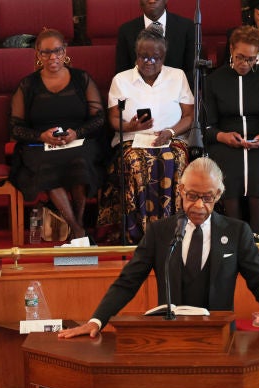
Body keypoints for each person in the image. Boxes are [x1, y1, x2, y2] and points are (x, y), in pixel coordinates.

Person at [62, 157, 259, 341]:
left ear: (219, 195)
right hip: (170, 338)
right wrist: (97, 320)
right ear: (180, 191)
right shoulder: (160, 232)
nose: (199, 205)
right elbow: (128, 281)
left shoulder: (237, 232)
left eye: (208, 197)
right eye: (191, 196)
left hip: (219, 339)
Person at [99, 27, 194, 242]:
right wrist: (131, 127)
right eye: (143, 56)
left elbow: (189, 116)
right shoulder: (122, 81)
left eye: (155, 57)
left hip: (172, 139)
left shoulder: (177, 76)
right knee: (137, 162)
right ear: (136, 54)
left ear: (164, 57)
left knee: (174, 159)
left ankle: (173, 229)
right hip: (132, 141)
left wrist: (170, 132)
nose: (149, 62)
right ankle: (140, 233)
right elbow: (114, 120)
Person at [11, 28, 104, 243]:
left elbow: (98, 118)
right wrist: (41, 136)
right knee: (46, 166)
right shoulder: (27, 85)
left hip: (78, 141)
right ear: (37, 53)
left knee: (80, 161)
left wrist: (76, 133)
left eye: (57, 51)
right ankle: (78, 230)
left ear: (65, 51)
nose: (52, 57)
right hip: (41, 145)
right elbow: (15, 127)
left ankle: (76, 227)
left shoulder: (82, 79)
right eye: (45, 52)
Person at [204, 26, 259, 237]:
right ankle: (235, 230)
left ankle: (256, 230)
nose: (244, 64)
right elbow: (206, 124)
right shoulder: (214, 80)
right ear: (231, 49)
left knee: (257, 160)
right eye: (240, 57)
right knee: (228, 159)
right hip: (224, 138)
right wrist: (222, 136)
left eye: (251, 59)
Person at [116, 0, 196, 83]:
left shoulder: (187, 27)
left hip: (176, 91)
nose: (152, 1)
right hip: (138, 92)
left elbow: (193, 72)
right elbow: (122, 73)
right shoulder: (126, 30)